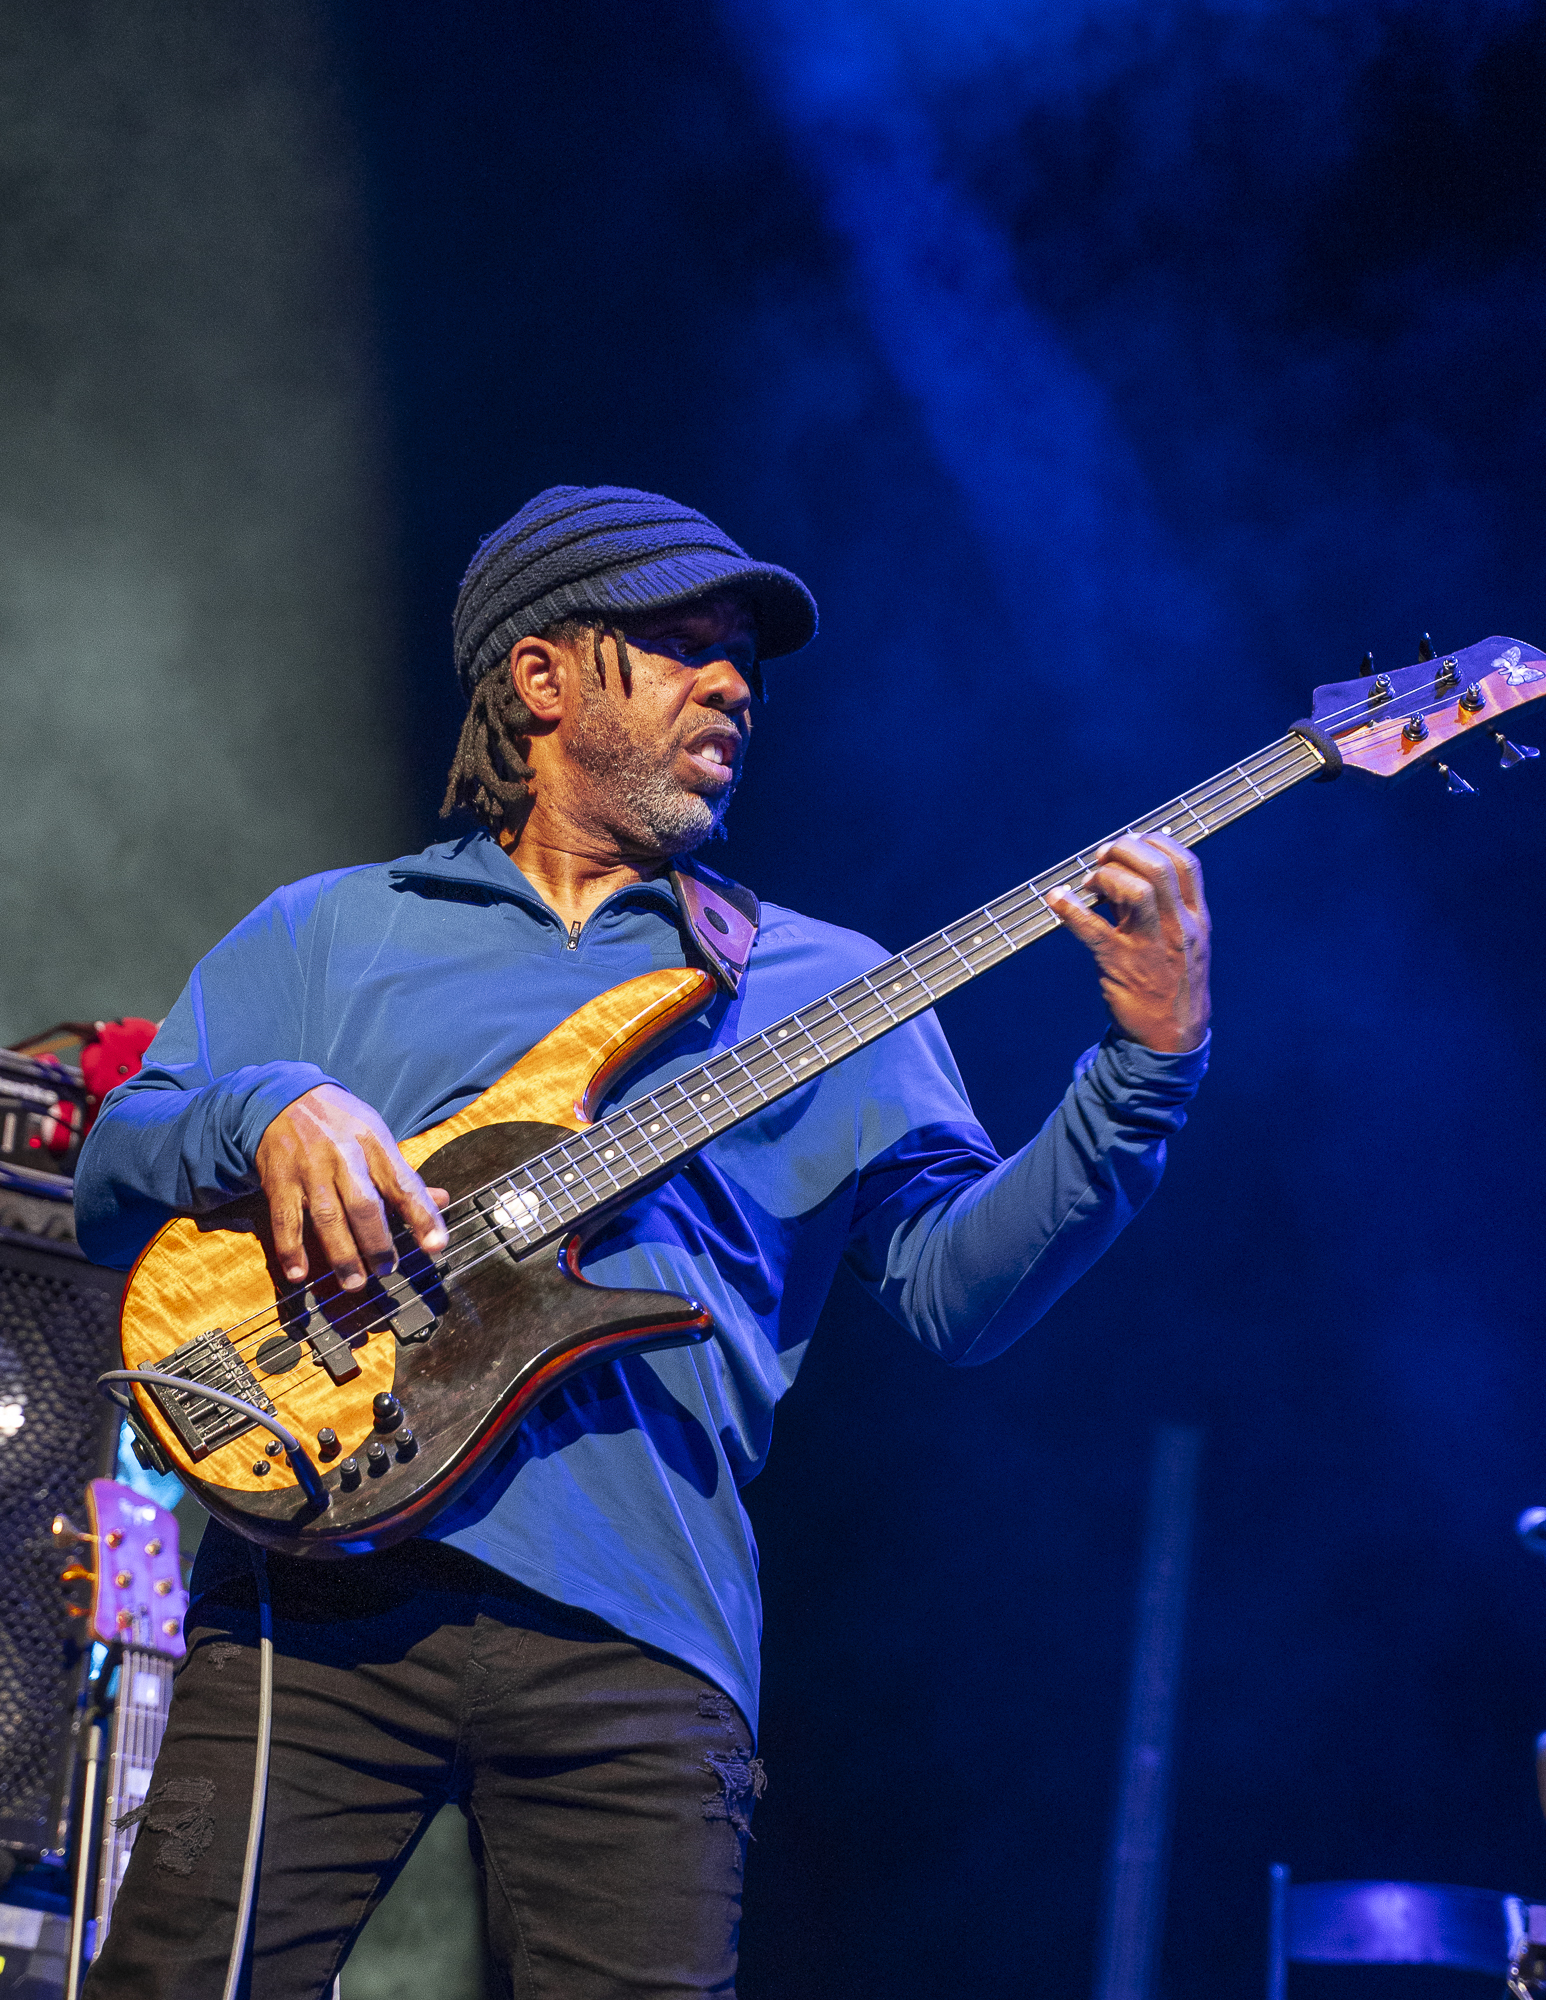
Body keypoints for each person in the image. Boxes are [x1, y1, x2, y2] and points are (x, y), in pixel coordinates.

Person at [76, 484, 1211, 1999]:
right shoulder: (334, 933)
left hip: (641, 1629)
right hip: (313, 1588)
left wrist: (1146, 1075)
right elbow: (112, 1173)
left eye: (739, 657)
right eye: (680, 643)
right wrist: (269, 1108)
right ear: (541, 679)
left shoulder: (830, 984)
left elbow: (955, 1295)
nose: (732, 681)